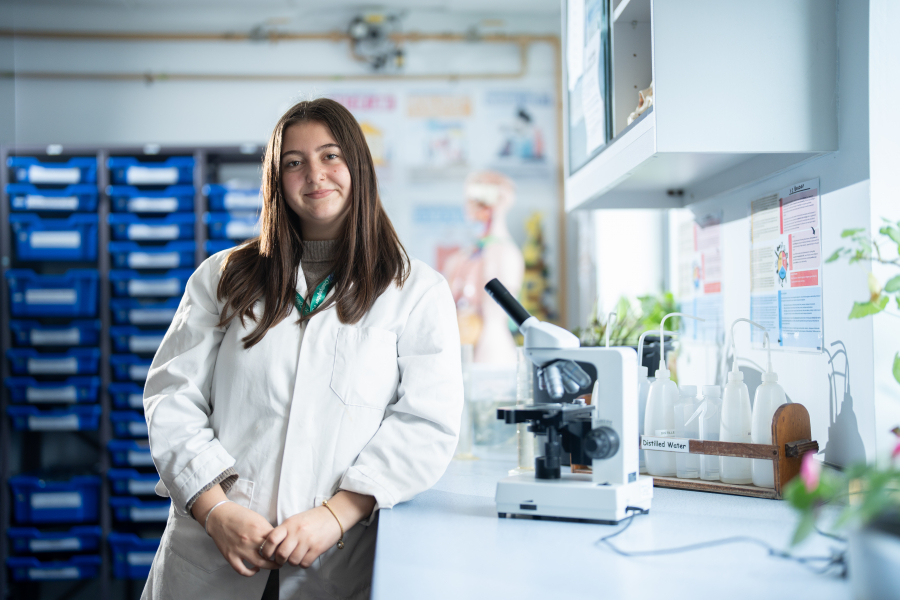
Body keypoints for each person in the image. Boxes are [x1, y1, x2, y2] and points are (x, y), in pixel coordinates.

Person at [141, 98, 463, 600]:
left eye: (331, 156)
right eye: (294, 162)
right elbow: (171, 396)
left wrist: (335, 516)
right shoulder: (223, 276)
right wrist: (216, 510)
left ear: (357, 165)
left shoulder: (415, 290)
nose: (315, 174)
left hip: (336, 559)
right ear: (276, 178)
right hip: (212, 554)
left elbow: (426, 422)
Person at [441, 170, 524, 365]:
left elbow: (494, 314)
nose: (470, 207)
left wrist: (498, 216)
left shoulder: (504, 253)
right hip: (463, 355)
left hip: (492, 358)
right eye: (469, 199)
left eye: (480, 199)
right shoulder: (463, 256)